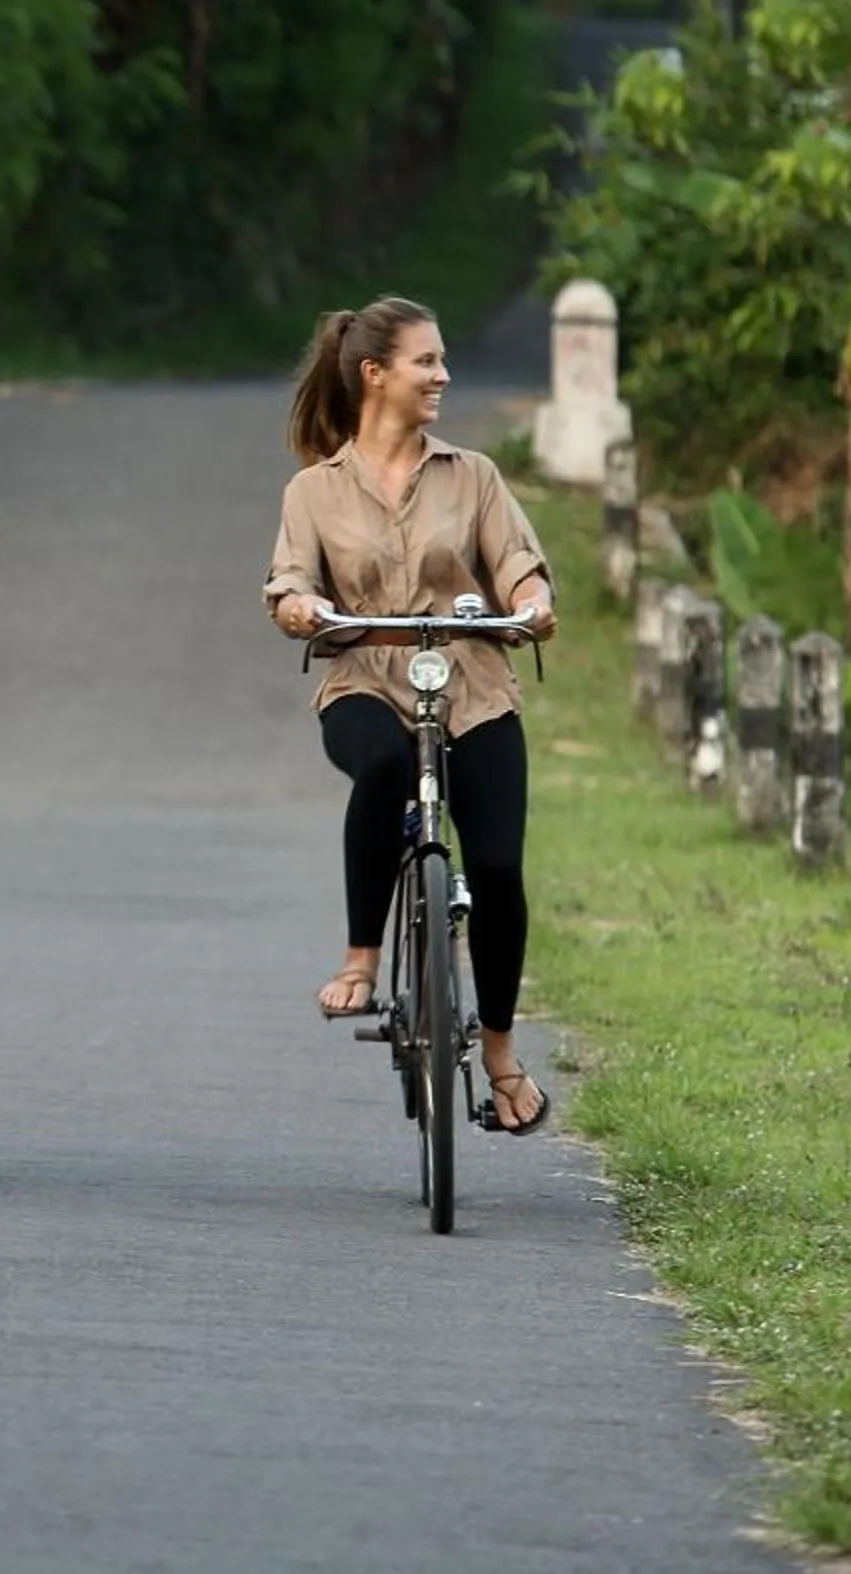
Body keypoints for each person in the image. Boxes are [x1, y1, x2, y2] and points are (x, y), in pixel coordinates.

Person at [262, 297, 561, 1137]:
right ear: (374, 375)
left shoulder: (473, 475)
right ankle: (362, 956)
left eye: (441, 361)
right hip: (366, 679)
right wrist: (300, 609)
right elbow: (289, 581)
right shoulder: (314, 492)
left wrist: (532, 603)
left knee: (498, 869)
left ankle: (499, 1057)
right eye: (426, 362)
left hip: (472, 685)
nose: (443, 376)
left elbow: (520, 567)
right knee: (386, 763)